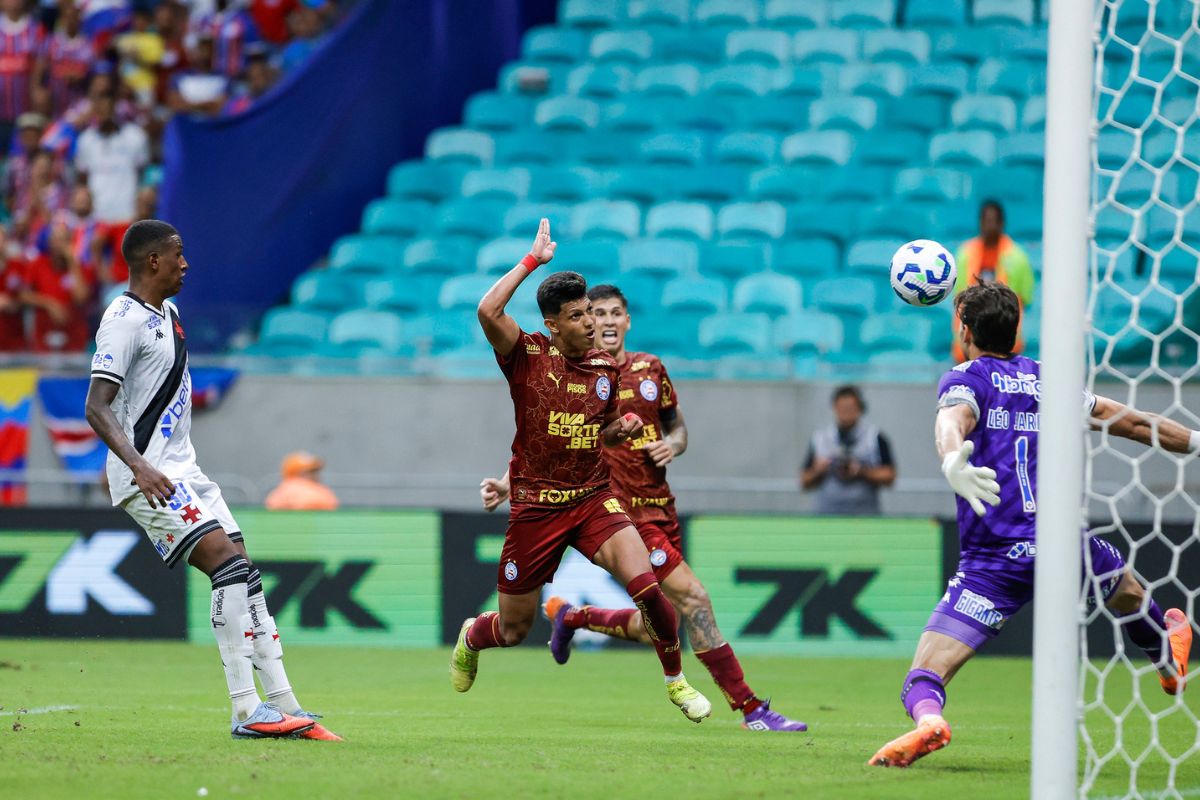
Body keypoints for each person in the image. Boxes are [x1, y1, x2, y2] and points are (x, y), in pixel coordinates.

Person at [868, 282, 1192, 768]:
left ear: (964, 330)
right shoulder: (1049, 381)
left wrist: (953, 458)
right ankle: (1165, 654)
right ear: (1016, 332)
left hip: (992, 562)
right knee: (1126, 588)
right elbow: (1131, 421)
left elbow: (951, 420)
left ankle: (930, 722)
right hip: (1062, 546)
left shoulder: (966, 377)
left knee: (924, 677)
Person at [479, 283, 807, 732]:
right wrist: (505, 481)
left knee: (652, 620)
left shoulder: (651, 370)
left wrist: (671, 445)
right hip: (618, 512)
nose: (607, 321)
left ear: (628, 321)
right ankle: (751, 709)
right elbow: (546, 438)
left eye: (616, 313)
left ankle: (574, 617)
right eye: (598, 312)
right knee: (693, 599)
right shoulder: (566, 368)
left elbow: (678, 429)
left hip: (661, 508)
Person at [84, 219, 340, 741]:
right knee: (225, 564)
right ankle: (247, 710)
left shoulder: (169, 313)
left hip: (185, 470)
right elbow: (96, 406)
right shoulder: (122, 319)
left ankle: (287, 705)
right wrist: (138, 465)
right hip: (149, 475)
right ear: (152, 261)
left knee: (245, 572)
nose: (186, 263)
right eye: (177, 254)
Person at [450, 219, 713, 723]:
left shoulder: (604, 368)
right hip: (536, 510)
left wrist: (624, 427)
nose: (591, 323)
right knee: (513, 629)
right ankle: (471, 636)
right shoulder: (525, 355)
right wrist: (532, 262)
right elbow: (487, 310)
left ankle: (676, 681)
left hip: (593, 499)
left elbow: (604, 429)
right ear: (553, 324)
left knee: (650, 591)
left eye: (591, 312)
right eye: (577, 316)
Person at [952, 199, 1035, 362]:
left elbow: (1025, 298)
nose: (990, 226)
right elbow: (959, 297)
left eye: (994, 221)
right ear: (980, 223)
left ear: (1002, 223)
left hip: (1004, 344)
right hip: (969, 343)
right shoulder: (965, 254)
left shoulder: (1018, 257)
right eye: (986, 221)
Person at [800, 385, 896, 516]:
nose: (846, 412)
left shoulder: (874, 437)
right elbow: (804, 480)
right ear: (834, 407)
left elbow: (889, 476)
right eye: (842, 408)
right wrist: (820, 470)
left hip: (865, 515)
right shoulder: (820, 438)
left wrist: (862, 471)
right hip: (827, 515)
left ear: (860, 409)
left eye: (850, 408)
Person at [73, 90, 148, 224]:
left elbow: (143, 173)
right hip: (96, 217)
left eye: (107, 106)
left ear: (115, 107)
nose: (104, 112)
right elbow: (82, 177)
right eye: (99, 107)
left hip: (127, 214)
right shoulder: (86, 140)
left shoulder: (135, 136)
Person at [264, 450, 338, 511]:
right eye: (311, 471)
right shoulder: (318, 491)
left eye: (316, 471)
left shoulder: (277, 493)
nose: (317, 475)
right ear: (297, 473)